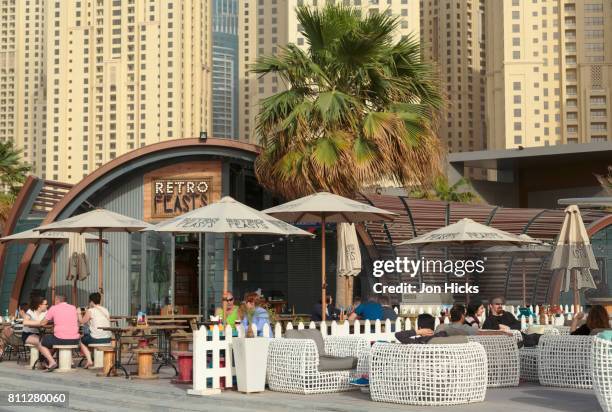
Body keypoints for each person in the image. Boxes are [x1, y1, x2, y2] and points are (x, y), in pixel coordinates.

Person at [26, 295, 80, 371]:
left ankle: (51, 362)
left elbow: (43, 323)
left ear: (57, 301)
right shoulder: (73, 307)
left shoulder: (54, 308)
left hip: (61, 339)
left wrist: (38, 322)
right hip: (75, 340)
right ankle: (68, 362)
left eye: (54, 301)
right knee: (53, 339)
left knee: (41, 341)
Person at [78, 293, 111, 368]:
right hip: (107, 338)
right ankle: (93, 358)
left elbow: (82, 322)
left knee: (81, 340)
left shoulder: (90, 311)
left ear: (91, 301)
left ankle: (89, 360)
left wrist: (79, 313)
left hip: (96, 339)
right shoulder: (105, 310)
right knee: (90, 336)